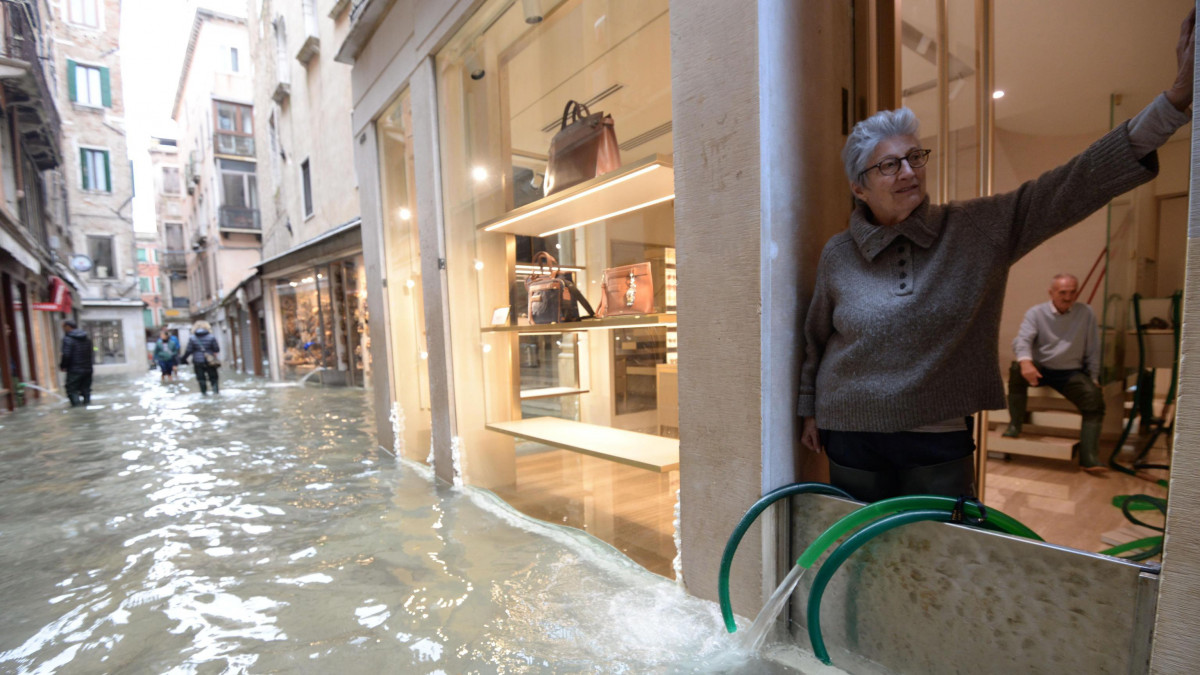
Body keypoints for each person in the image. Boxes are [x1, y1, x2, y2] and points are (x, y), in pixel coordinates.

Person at [798, 11, 1194, 502]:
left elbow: (1072, 185)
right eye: (888, 165)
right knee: (857, 551)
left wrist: (1172, 105)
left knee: (938, 555)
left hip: (936, 437)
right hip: (849, 431)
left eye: (915, 157)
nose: (908, 172)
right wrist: (811, 408)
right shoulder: (839, 253)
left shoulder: (974, 229)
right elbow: (818, 340)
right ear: (859, 187)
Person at [1002, 274, 1106, 474]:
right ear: (1052, 293)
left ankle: (1089, 457)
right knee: (1016, 370)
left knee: (1095, 401)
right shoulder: (1036, 313)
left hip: (1069, 372)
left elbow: (1094, 347)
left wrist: (1093, 377)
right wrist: (1025, 362)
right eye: (1062, 293)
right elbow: (1022, 340)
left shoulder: (1086, 313)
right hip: (1041, 370)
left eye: (1072, 292)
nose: (1068, 297)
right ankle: (1015, 424)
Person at [59, 320, 94, 407]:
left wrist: (63, 366)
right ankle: (87, 406)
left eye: (63, 327)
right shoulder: (86, 338)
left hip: (74, 370)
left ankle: (77, 409)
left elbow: (66, 355)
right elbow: (91, 354)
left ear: (68, 327)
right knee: (86, 390)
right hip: (87, 369)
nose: (63, 329)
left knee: (72, 389)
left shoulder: (68, 339)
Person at [181, 320, 221, 395]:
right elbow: (217, 349)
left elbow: (188, 351)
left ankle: (204, 393)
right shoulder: (211, 337)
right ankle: (215, 392)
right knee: (214, 378)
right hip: (210, 361)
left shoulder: (192, 338)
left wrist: (183, 359)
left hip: (198, 361)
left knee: (201, 379)